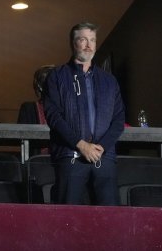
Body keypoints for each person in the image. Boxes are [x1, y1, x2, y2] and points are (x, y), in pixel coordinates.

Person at [43, 22, 125, 205]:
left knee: (108, 220)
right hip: (70, 158)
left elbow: (119, 119)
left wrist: (101, 147)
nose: (88, 44)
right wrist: (81, 145)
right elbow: (53, 117)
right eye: (83, 39)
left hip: (104, 159)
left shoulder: (109, 81)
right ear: (73, 44)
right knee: (68, 220)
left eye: (92, 40)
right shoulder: (57, 76)